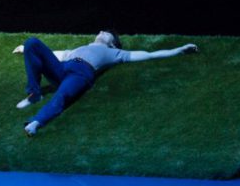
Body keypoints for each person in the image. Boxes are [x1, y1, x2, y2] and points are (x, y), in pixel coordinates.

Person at [12, 32, 198, 136]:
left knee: (62, 96)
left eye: (107, 33)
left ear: (113, 44)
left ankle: (36, 122)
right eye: (101, 31)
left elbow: (148, 55)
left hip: (81, 74)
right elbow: (54, 54)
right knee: (32, 42)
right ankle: (34, 93)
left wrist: (179, 50)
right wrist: (26, 49)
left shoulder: (114, 54)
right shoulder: (81, 48)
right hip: (63, 67)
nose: (101, 32)